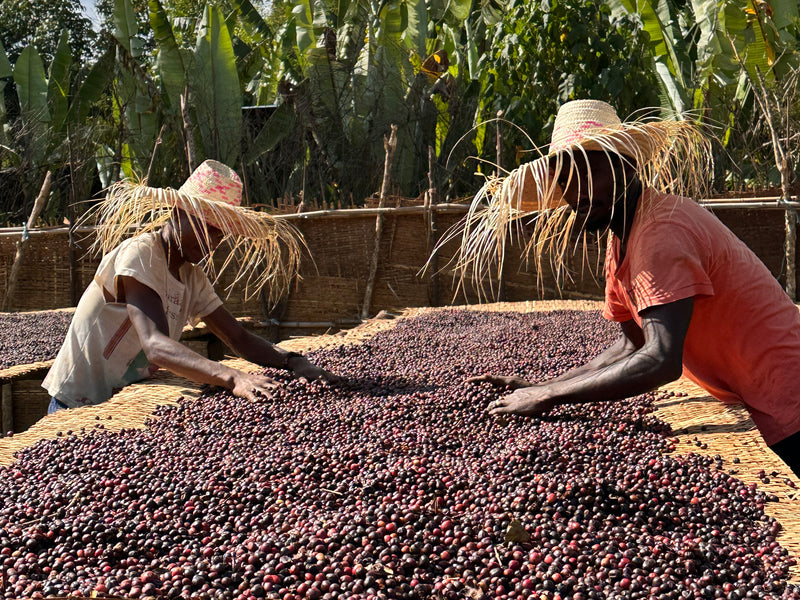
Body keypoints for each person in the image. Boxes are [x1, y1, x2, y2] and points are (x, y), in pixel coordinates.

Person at [462, 99, 800, 476]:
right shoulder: (622, 236)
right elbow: (633, 343)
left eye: (591, 171)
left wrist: (547, 396)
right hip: (766, 388)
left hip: (789, 387)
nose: (578, 192)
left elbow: (660, 359)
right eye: (566, 179)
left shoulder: (660, 233)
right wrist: (541, 385)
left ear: (627, 165)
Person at [43, 160, 336, 413]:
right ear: (178, 213)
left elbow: (237, 336)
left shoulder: (191, 278)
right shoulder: (141, 254)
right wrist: (231, 376)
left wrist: (293, 361)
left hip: (121, 402)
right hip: (78, 403)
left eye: (220, 233)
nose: (213, 241)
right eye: (206, 227)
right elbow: (155, 345)